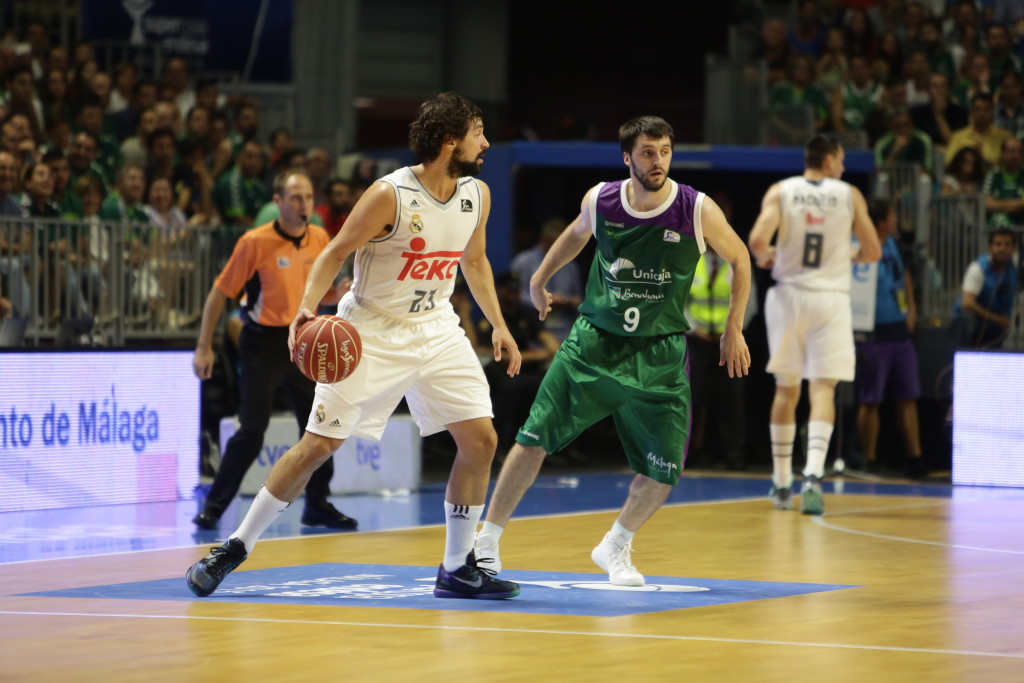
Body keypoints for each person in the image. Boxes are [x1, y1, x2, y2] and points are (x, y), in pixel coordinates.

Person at [186, 91, 523, 601]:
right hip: (371, 330)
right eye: (479, 133)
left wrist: (498, 324)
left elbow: (473, 261)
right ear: (451, 141)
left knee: (481, 441)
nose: (487, 142)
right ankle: (234, 546)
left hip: (436, 327)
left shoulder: (478, 193)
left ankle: (457, 567)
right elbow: (336, 252)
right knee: (318, 446)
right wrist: (306, 307)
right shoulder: (390, 194)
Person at [473, 116, 752, 588]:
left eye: (664, 151)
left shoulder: (695, 209)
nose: (657, 160)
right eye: (647, 152)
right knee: (532, 438)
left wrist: (733, 327)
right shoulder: (602, 199)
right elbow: (578, 233)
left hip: (660, 353)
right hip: (594, 344)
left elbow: (741, 258)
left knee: (665, 470)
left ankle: (616, 545)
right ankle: (486, 543)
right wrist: (539, 278)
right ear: (627, 157)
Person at [188, 169, 354, 532]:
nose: (303, 205)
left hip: (304, 341)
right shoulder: (254, 242)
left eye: (308, 197)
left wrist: (337, 296)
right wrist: (204, 346)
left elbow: (316, 294)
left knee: (319, 427)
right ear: (277, 202)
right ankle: (214, 507)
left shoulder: (319, 236)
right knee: (253, 429)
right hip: (262, 342)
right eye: (295, 198)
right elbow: (220, 292)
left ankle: (317, 505)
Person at [748, 134, 881, 515]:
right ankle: (812, 476)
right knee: (823, 390)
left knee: (785, 389)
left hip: (789, 296)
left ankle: (780, 481)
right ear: (827, 160)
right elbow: (872, 251)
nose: (842, 168)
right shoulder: (848, 194)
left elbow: (757, 239)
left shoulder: (781, 191)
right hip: (830, 300)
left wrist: (767, 255)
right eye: (839, 161)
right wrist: (848, 254)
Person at [855, 199, 927, 479]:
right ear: (881, 220)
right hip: (872, 332)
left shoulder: (892, 244)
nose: (897, 220)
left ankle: (915, 457)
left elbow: (904, 276)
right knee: (870, 400)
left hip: (899, 330)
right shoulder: (857, 243)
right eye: (893, 216)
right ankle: (869, 458)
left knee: (908, 396)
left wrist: (911, 308)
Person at [510, 217, 582, 341]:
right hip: (533, 328)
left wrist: (567, 300)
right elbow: (513, 297)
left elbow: (579, 299)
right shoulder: (523, 261)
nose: (562, 247)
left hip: (565, 329)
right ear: (544, 239)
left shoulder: (571, 266)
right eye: (556, 242)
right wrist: (545, 299)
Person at [953, 228, 1018, 349]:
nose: (1002, 249)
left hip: (996, 327)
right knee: (966, 319)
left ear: (1014, 248)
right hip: (972, 325)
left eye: (1007, 244)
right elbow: (967, 303)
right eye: (998, 244)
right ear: (990, 247)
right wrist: (998, 319)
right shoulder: (978, 268)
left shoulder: (1014, 267)